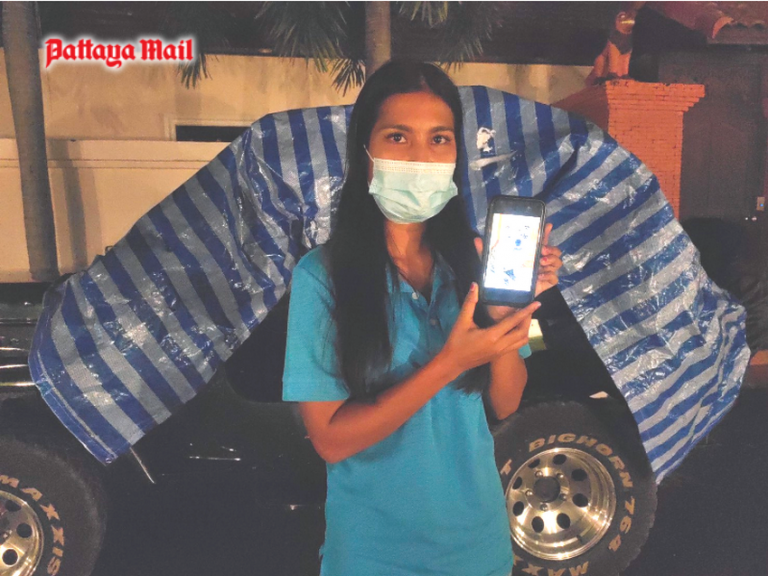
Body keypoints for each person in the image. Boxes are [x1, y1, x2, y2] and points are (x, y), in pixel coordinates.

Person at [282, 60, 562, 576]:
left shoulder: (472, 261)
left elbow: (506, 401)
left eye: (439, 139)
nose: (420, 157)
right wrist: (449, 363)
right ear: (365, 153)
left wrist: (503, 317)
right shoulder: (322, 277)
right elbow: (331, 440)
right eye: (397, 137)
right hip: (374, 556)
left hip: (479, 548)